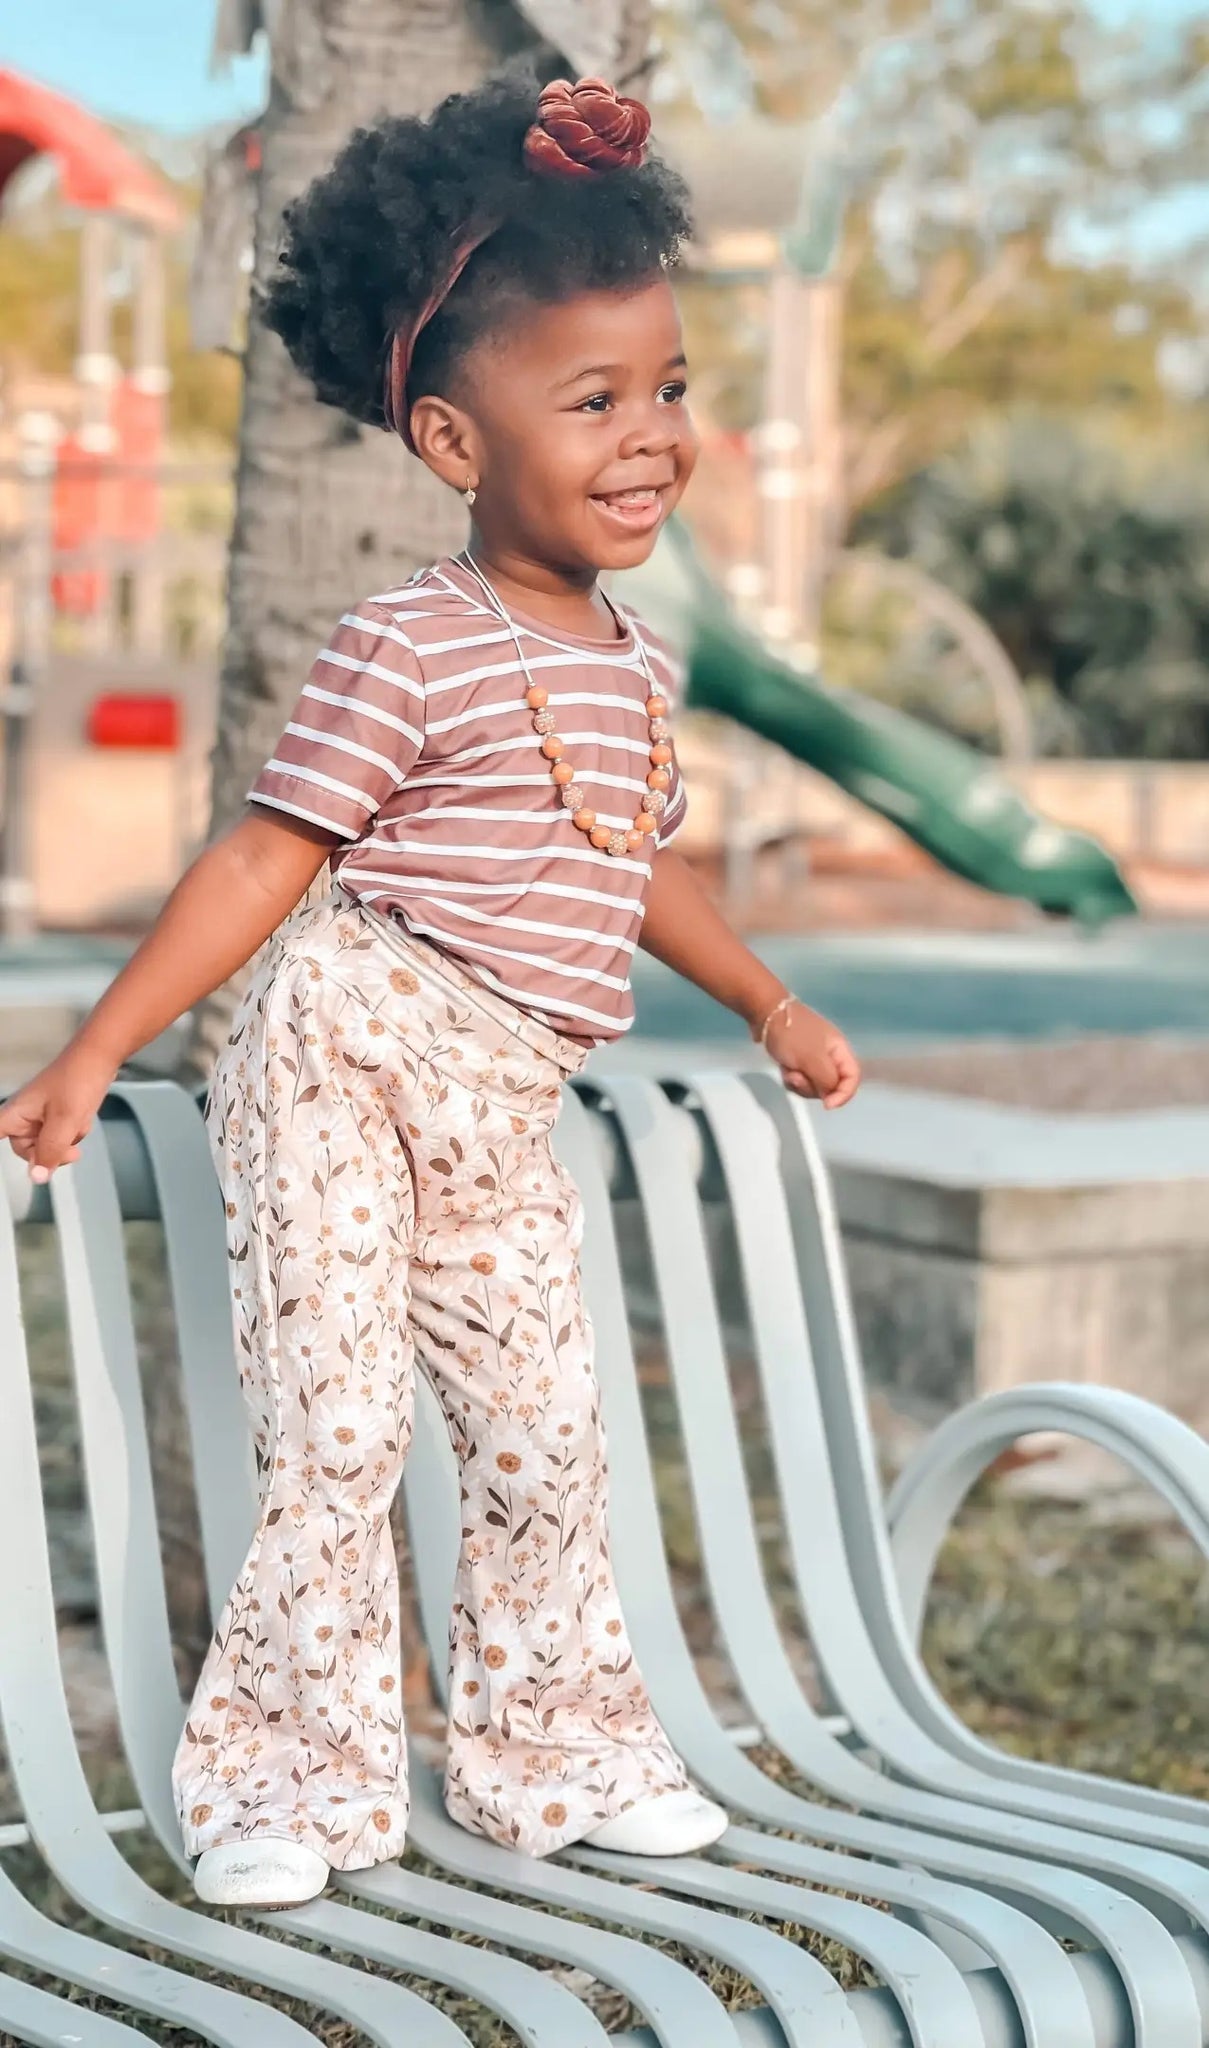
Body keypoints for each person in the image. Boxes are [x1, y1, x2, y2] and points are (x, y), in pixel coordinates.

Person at [0, 71, 860, 1910]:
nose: (651, 437)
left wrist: (767, 1000)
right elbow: (264, 859)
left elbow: (634, 863)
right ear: (457, 442)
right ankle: (284, 1789)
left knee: (547, 1434)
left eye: (670, 389)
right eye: (593, 400)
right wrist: (98, 1045)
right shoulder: (407, 642)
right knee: (337, 1432)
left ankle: (550, 1756)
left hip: (504, 1098)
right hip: (347, 1055)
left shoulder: (634, 668)